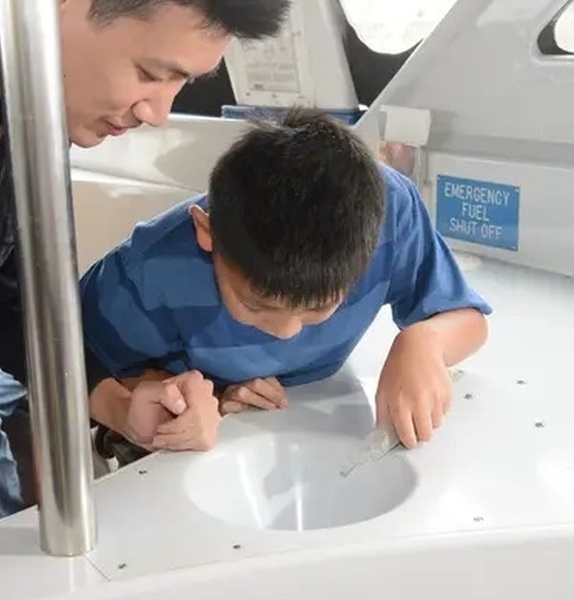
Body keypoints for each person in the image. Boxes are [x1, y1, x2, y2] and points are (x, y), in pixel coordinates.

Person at [0, 0, 290, 517]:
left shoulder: (33, 127)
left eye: (182, 84)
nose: (156, 114)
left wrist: (122, 407)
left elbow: (11, 303)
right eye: (151, 74)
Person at [80, 108, 492, 458]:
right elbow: (70, 364)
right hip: (195, 443)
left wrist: (424, 342)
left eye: (317, 308)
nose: (287, 331)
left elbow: (468, 319)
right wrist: (168, 401)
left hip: (309, 412)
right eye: (256, 304)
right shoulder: (150, 270)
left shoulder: (391, 213)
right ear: (207, 235)